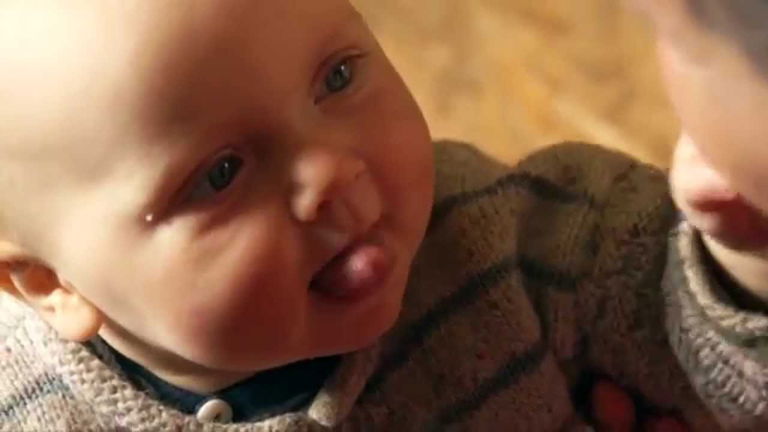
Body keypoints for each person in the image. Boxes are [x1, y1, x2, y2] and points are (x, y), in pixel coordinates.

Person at [0, 0, 765, 429]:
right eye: (221, 174)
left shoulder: (513, 236)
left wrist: (740, 260)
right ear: (48, 283)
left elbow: (710, 374)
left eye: (337, 77)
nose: (331, 170)